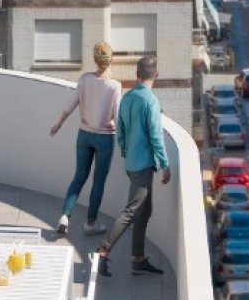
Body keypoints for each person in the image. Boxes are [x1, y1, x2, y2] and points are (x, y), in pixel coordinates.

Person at [96, 52, 172, 276]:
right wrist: (165, 165)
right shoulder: (151, 101)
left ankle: (138, 259)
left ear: (137, 74)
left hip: (131, 162)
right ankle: (102, 251)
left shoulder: (128, 98)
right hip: (143, 165)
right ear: (156, 75)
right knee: (132, 211)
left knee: (145, 211)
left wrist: (125, 152)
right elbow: (156, 136)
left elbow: (120, 130)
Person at [49, 40, 122, 238]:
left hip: (84, 135)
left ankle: (65, 216)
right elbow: (117, 115)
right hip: (105, 138)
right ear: (111, 60)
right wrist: (124, 137)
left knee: (79, 177)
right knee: (98, 181)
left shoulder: (84, 80)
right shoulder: (115, 86)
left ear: (95, 59)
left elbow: (70, 104)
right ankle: (90, 224)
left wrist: (58, 124)